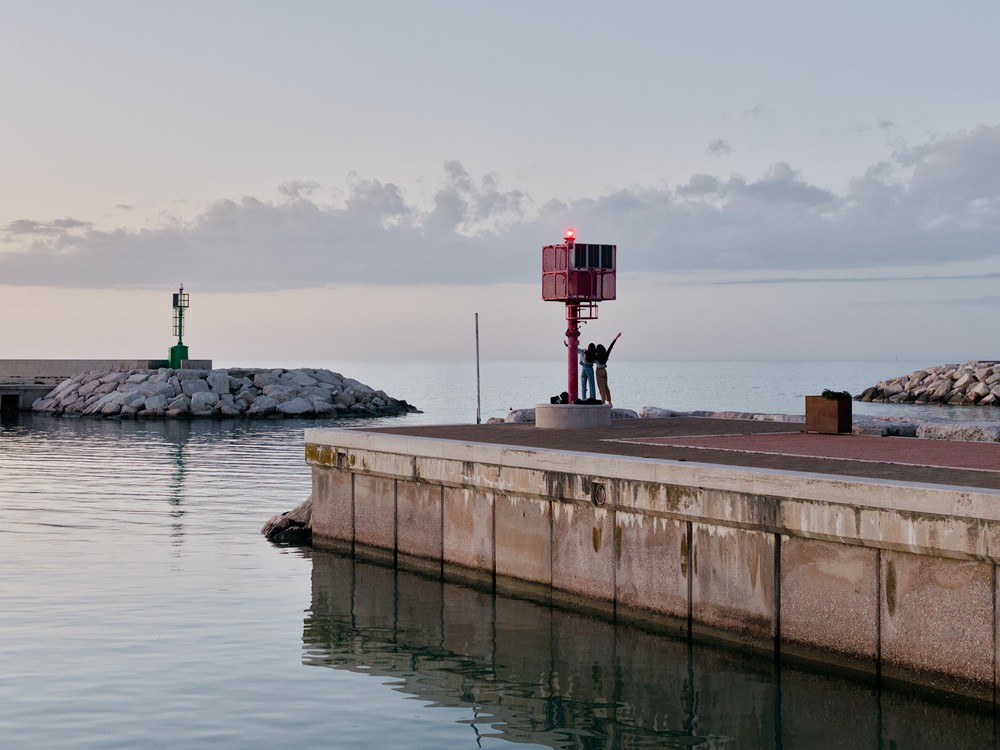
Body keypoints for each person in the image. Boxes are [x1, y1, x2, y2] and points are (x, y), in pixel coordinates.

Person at [594, 332, 621, 406]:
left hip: (599, 371)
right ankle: (609, 401)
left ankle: (603, 401)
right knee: (606, 386)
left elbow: (590, 358)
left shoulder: (596, 357)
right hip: (604, 371)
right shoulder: (606, 355)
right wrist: (616, 338)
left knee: (601, 387)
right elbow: (610, 347)